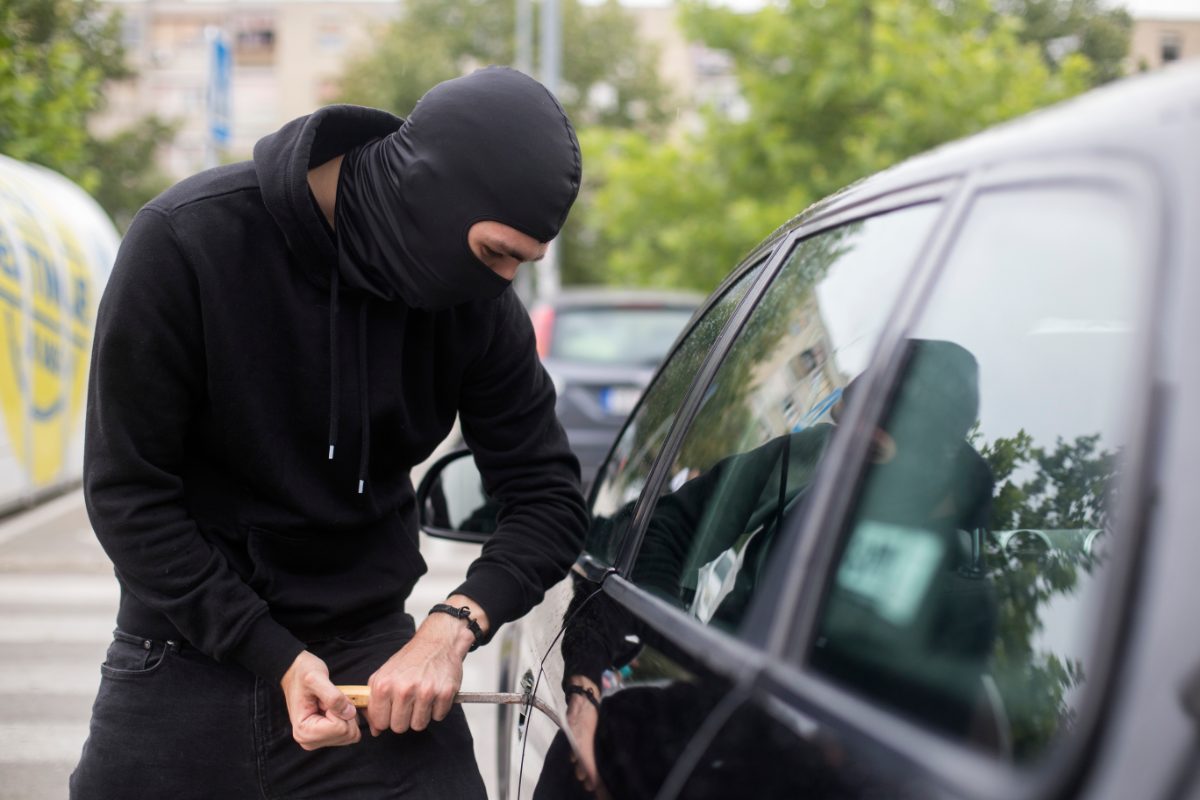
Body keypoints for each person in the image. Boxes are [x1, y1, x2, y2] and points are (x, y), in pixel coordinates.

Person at [70, 67, 588, 798]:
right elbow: (128, 495)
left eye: (522, 263)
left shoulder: (477, 306)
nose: (504, 282)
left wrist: (449, 630)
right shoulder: (187, 241)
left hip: (372, 661)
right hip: (179, 656)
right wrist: (276, 656)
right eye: (494, 252)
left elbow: (548, 497)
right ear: (429, 191)